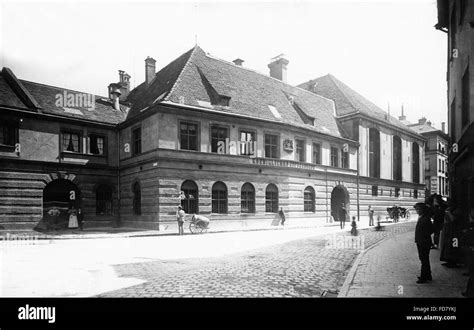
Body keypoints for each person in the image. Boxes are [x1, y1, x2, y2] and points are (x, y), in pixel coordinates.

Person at [414, 202, 434, 283]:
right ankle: (428, 275)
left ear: (423, 210)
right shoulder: (422, 217)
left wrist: (424, 235)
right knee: (425, 259)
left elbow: (431, 229)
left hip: (424, 242)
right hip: (421, 241)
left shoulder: (426, 218)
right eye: (416, 209)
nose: (417, 210)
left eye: (419, 209)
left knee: (424, 260)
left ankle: (423, 277)